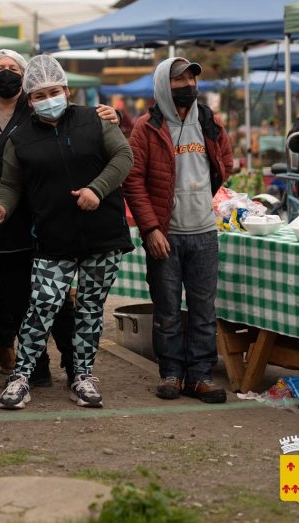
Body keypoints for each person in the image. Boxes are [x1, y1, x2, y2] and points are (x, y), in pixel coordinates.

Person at [0, 55, 133, 410]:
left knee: (90, 309)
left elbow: (123, 157)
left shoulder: (94, 121)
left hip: (102, 235)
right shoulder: (20, 139)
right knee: (42, 306)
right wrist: (1, 208)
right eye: (38, 95)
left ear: (67, 90)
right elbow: (10, 183)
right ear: (29, 99)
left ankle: (82, 375)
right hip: (53, 239)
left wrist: (97, 190)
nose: (47, 99)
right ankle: (21, 377)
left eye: (53, 91)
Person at [123, 57, 233, 404]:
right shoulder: (146, 127)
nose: (187, 85)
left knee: (204, 310)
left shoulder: (209, 121)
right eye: (178, 79)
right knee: (167, 310)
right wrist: (151, 228)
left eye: (191, 78)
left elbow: (225, 162)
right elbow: (133, 180)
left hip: (204, 232)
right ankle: (171, 373)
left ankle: (199, 376)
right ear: (162, 85)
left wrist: (199, 196)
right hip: (165, 235)